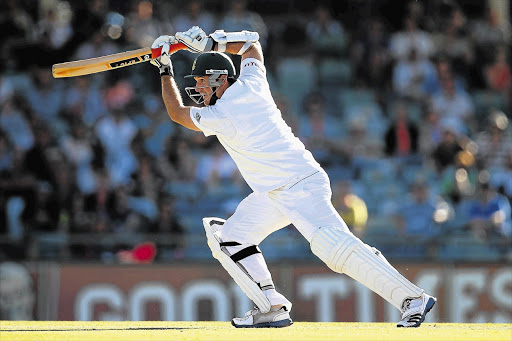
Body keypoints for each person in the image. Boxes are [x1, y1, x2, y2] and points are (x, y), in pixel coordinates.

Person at [150, 26, 436, 328]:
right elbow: (251, 46)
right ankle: (272, 306)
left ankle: (413, 298)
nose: (198, 88)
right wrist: (211, 43)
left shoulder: (226, 112)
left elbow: (177, 113)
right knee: (228, 237)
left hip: (298, 185)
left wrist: (165, 69)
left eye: (202, 81)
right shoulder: (251, 82)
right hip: (274, 193)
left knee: (332, 246)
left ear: (221, 79)